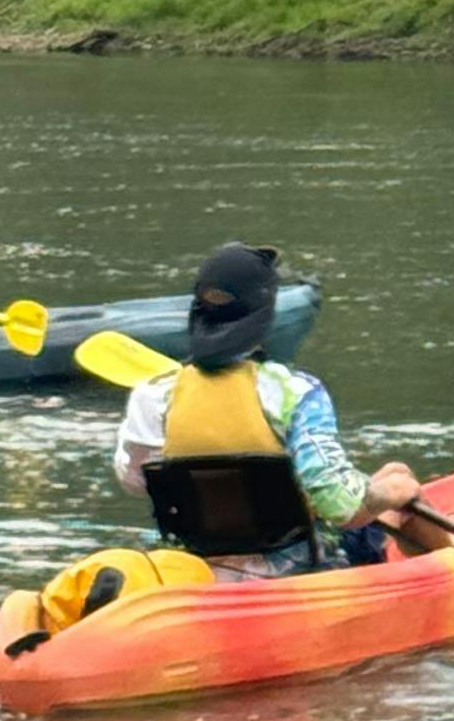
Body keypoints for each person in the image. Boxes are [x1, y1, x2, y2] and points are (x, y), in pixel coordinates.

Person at [115, 241, 420, 578]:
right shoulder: (295, 392)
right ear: (265, 315)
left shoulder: (153, 394)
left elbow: (136, 481)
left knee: (389, 478)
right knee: (400, 482)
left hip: (197, 569)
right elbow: (340, 506)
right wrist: (395, 492)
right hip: (300, 568)